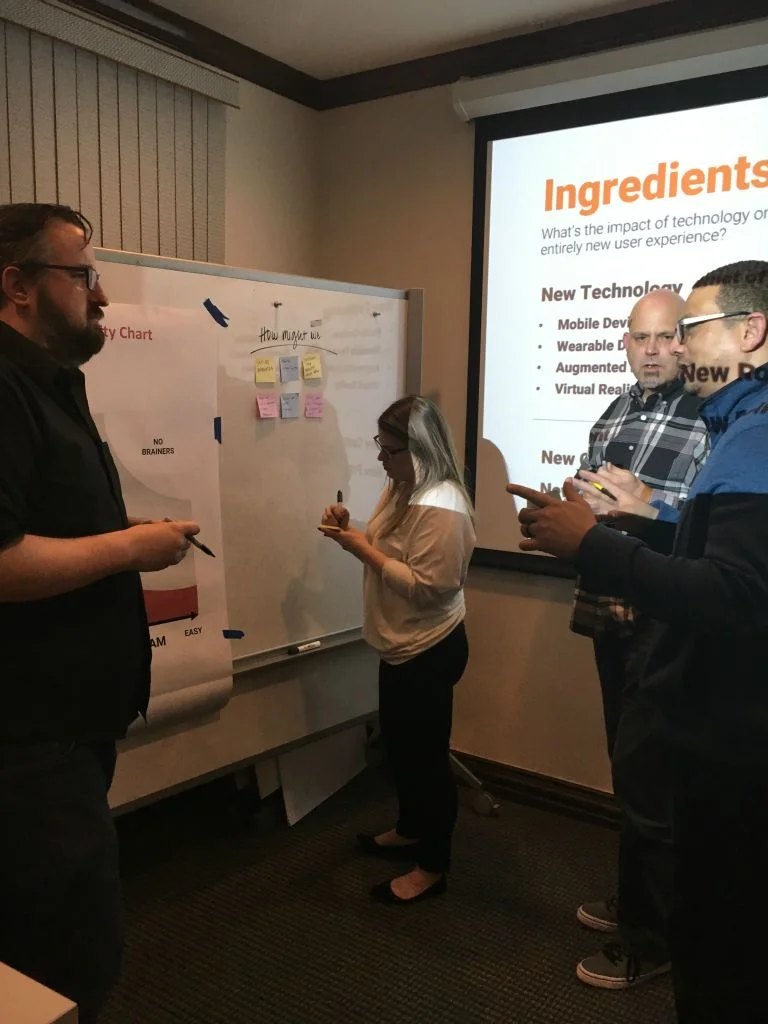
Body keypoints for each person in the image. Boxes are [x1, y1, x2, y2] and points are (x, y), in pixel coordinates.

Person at [507, 260, 768, 1023]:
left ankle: (658, 941)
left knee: (722, 944)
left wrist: (592, 544)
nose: (677, 348)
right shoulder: (736, 422)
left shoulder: (755, 432)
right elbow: (722, 555)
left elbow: (735, 594)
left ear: (751, 332)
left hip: (730, 718)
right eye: (658, 336)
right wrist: (649, 514)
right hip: (708, 696)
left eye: (690, 330)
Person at [0, 203, 199, 1022]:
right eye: (81, 275)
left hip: (69, 732)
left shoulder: (47, 383)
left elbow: (45, 523)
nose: (103, 294)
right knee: (63, 957)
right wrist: (129, 548)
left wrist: (126, 532)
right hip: (30, 744)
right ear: (16, 285)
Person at [568, 289, 707, 990]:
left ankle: (654, 941)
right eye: (638, 337)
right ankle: (639, 902)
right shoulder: (615, 410)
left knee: (653, 785)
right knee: (629, 774)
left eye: (664, 337)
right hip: (610, 615)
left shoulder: (711, 416)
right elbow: (591, 492)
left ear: (685, 342)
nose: (651, 351)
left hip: (664, 621)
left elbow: (713, 524)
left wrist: (645, 506)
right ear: (624, 343)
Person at [320, 395, 475, 904]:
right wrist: (350, 526)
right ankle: (411, 829)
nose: (380, 459)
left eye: (389, 451)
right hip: (399, 644)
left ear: (421, 450)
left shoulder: (443, 505)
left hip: (429, 648)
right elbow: (391, 548)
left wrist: (358, 547)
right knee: (402, 750)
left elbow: (430, 588)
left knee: (427, 761)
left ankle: (433, 867)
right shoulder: (404, 485)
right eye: (379, 446)